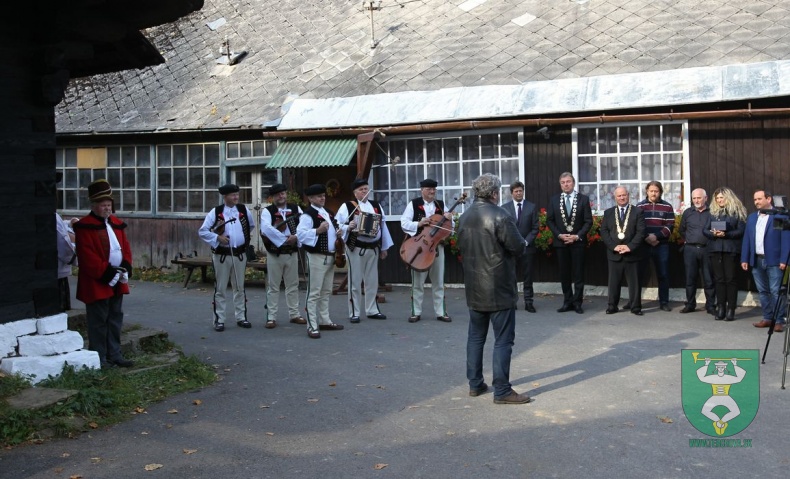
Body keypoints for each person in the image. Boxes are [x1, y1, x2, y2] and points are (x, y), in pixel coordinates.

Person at [456, 173, 531, 404]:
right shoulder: (501, 215)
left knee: (476, 337)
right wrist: (524, 243)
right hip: (498, 288)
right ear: (495, 193)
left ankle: (475, 384)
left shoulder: (465, 216)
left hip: (474, 287)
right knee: (503, 340)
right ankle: (502, 391)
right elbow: (518, 247)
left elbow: (461, 246)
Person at [74, 179, 134, 368]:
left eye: (109, 205)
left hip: (117, 279)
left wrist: (126, 266)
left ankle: (115, 354)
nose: (107, 208)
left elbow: (125, 248)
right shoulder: (84, 226)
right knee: (98, 321)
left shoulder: (117, 224)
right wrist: (108, 273)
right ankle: (99, 357)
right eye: (103, 205)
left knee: (115, 318)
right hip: (98, 281)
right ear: (94, 206)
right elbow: (87, 257)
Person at [198, 184, 255, 332]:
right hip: (222, 255)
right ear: (225, 197)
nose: (236, 197)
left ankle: (241, 317)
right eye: (232, 195)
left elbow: (251, 226)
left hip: (240, 254)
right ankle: (219, 319)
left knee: (240, 287)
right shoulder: (216, 212)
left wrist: (242, 240)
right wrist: (217, 237)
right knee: (221, 288)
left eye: (237, 194)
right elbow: (203, 231)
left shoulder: (243, 210)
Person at [336, 178, 393, 323]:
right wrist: (348, 226)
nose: (365, 191)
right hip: (356, 247)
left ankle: (372, 309)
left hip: (373, 248)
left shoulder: (376, 206)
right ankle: (354, 312)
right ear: (355, 193)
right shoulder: (348, 206)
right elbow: (337, 225)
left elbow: (383, 226)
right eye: (361, 189)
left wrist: (384, 247)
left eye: (366, 189)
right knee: (355, 281)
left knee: (372, 281)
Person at [296, 184, 347, 338]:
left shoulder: (328, 213)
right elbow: (301, 234)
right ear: (311, 198)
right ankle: (312, 325)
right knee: (314, 292)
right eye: (319, 196)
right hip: (317, 256)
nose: (322, 198)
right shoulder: (308, 215)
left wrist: (338, 231)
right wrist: (317, 231)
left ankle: (324, 320)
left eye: (323, 195)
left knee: (325, 291)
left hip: (331, 255)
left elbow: (334, 231)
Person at [400, 178, 454, 323]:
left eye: (434, 189)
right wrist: (419, 223)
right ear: (422, 190)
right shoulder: (414, 204)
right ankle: (415, 312)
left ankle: (441, 312)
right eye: (429, 189)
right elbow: (404, 223)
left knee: (439, 282)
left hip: (437, 247)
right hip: (420, 248)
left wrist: (449, 218)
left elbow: (450, 227)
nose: (432, 192)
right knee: (417, 283)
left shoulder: (441, 205)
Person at [740, 189, 790, 332]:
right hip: (757, 259)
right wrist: (745, 258)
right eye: (755, 199)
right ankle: (767, 318)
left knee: (775, 291)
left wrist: (784, 259)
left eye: (759, 199)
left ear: (769, 199)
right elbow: (747, 239)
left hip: (774, 260)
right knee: (763, 291)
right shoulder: (752, 218)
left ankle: (779, 320)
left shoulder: (779, 216)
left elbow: (785, 239)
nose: (756, 202)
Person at [259, 183, 306, 329]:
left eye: (283, 193)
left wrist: (296, 236)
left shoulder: (295, 209)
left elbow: (304, 225)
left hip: (291, 252)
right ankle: (271, 317)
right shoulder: (268, 211)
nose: (282, 196)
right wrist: (283, 239)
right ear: (273, 197)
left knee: (293, 285)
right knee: (273, 286)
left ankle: (294, 314)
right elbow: (266, 229)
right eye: (278, 194)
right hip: (275, 253)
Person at [546, 172, 592, 314]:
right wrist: (559, 235)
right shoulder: (554, 200)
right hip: (561, 243)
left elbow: (588, 221)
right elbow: (550, 220)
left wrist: (577, 236)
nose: (566, 184)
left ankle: (577, 303)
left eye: (568, 181)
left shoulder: (583, 199)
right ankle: (567, 301)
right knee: (564, 274)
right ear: (560, 184)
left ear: (574, 183)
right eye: (563, 182)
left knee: (578, 274)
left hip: (577, 243)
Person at [600, 186, 646, 315]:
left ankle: (636, 307)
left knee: (634, 283)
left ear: (628, 195)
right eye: (619, 196)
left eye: (624, 195)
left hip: (632, 253)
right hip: (614, 253)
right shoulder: (608, 212)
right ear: (615, 197)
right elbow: (604, 231)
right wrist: (613, 246)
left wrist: (629, 247)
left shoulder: (638, 212)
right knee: (613, 282)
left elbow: (641, 232)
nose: (622, 197)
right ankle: (612, 306)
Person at [703, 188, 746, 322]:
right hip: (715, 249)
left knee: (730, 279)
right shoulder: (713, 213)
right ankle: (720, 307)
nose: (719, 200)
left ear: (728, 197)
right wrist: (713, 234)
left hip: (731, 249)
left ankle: (731, 309)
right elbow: (705, 230)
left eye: (721, 197)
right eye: (717, 198)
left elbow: (741, 231)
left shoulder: (738, 212)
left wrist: (726, 234)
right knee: (719, 280)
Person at [636, 180, 675, 311]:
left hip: (661, 245)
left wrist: (656, 237)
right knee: (639, 274)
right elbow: (637, 226)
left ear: (660, 192)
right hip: (644, 245)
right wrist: (647, 237)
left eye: (656, 191)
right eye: (651, 191)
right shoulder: (639, 206)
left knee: (663, 274)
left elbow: (670, 226)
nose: (654, 193)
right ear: (647, 191)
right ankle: (635, 302)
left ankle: (664, 302)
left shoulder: (668, 207)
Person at [502, 180, 539, 312]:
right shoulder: (505, 208)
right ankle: (513, 301)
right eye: (516, 191)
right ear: (511, 193)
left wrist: (526, 242)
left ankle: (529, 302)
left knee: (528, 276)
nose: (519, 193)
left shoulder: (531, 207)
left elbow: (535, 228)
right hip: (511, 249)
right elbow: (504, 228)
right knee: (511, 276)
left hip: (527, 247)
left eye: (521, 191)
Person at [679, 188, 716, 315]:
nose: (696, 200)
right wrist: (690, 239)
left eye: (699, 198)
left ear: (706, 198)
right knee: (690, 278)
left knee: (709, 279)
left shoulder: (713, 213)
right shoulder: (687, 213)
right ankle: (690, 304)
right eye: (694, 198)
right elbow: (682, 230)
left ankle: (710, 305)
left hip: (707, 249)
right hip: (690, 249)